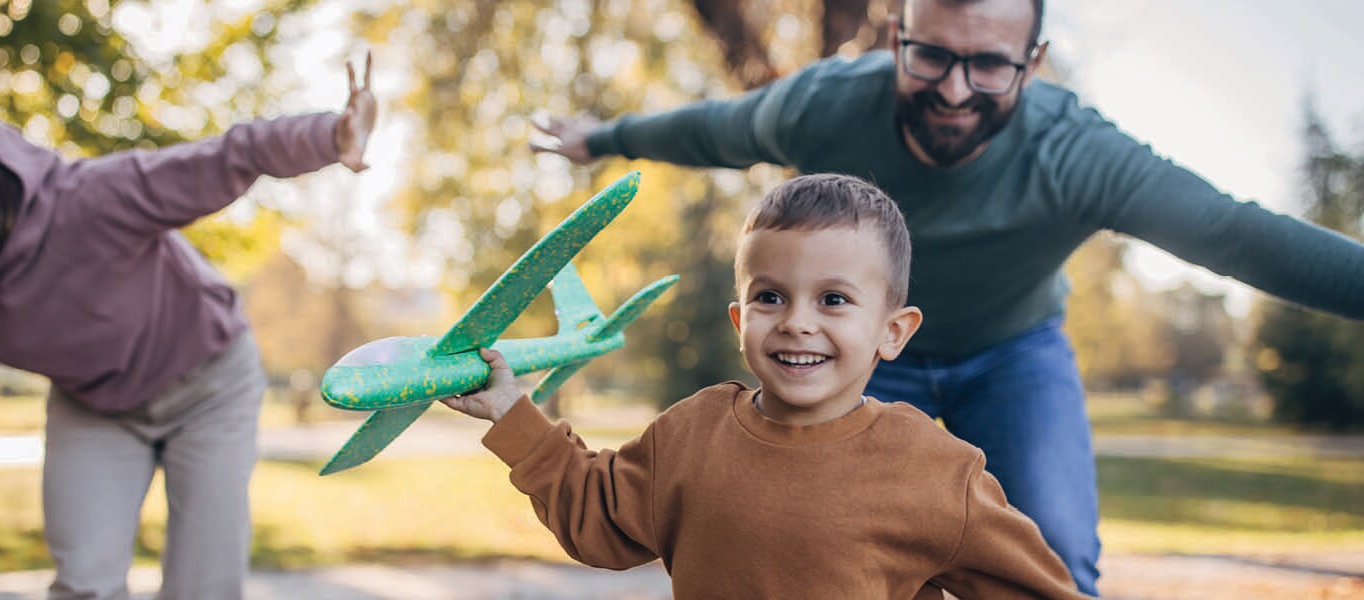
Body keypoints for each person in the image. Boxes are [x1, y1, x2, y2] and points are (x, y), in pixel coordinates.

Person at [527, 0, 1364, 592]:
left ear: (1032, 63)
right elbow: (716, 127)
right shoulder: (827, 105)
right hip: (854, 355)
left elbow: (1238, 234)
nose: (955, 90)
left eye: (991, 64)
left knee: (1059, 555)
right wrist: (600, 139)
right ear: (897, 35)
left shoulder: (1075, 153)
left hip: (1013, 354)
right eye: (931, 55)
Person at [0, 55, 378, 599]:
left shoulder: (87, 200)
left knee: (204, 585)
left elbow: (228, 156)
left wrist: (332, 136)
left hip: (211, 384)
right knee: (85, 581)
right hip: (95, 406)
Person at [443, 173, 1089, 599]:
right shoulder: (693, 432)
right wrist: (512, 414)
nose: (797, 322)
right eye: (770, 296)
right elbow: (598, 517)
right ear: (740, 320)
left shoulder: (938, 473)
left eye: (834, 299)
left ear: (892, 331)